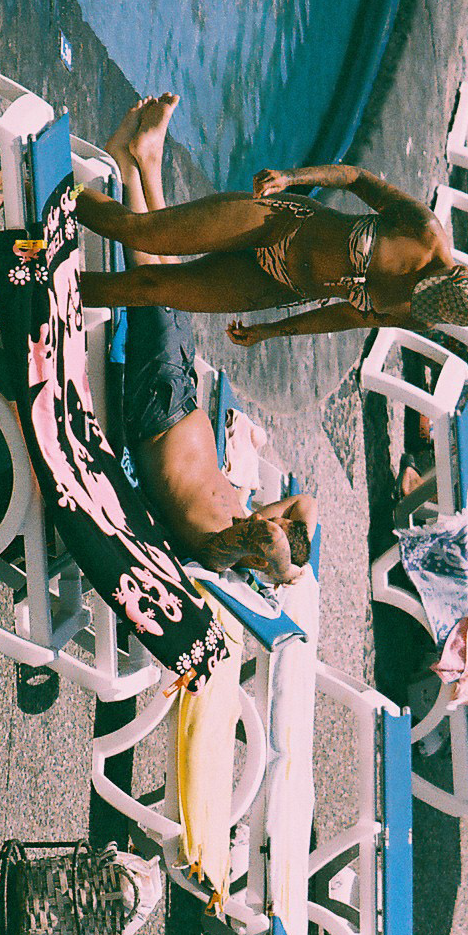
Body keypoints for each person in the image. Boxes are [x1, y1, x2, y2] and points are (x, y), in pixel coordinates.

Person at [74, 95, 468, 341]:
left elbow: (343, 317)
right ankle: (47, 181)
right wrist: (291, 178)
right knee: (139, 233)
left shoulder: (422, 313)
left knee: (150, 288)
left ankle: (47, 287)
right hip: (279, 224)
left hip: (276, 286)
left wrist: (272, 332)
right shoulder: (424, 231)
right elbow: (356, 177)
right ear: (452, 274)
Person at [101, 95, 318, 583]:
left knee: (156, 290)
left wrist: (284, 572)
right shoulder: (245, 515)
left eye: (274, 527)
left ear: (263, 557)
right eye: (277, 519)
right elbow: (308, 502)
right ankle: (142, 164)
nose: (273, 517)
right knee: (178, 289)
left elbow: (273, 541)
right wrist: (287, 551)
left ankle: (129, 163)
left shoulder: (223, 545)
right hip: (180, 391)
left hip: (156, 410)